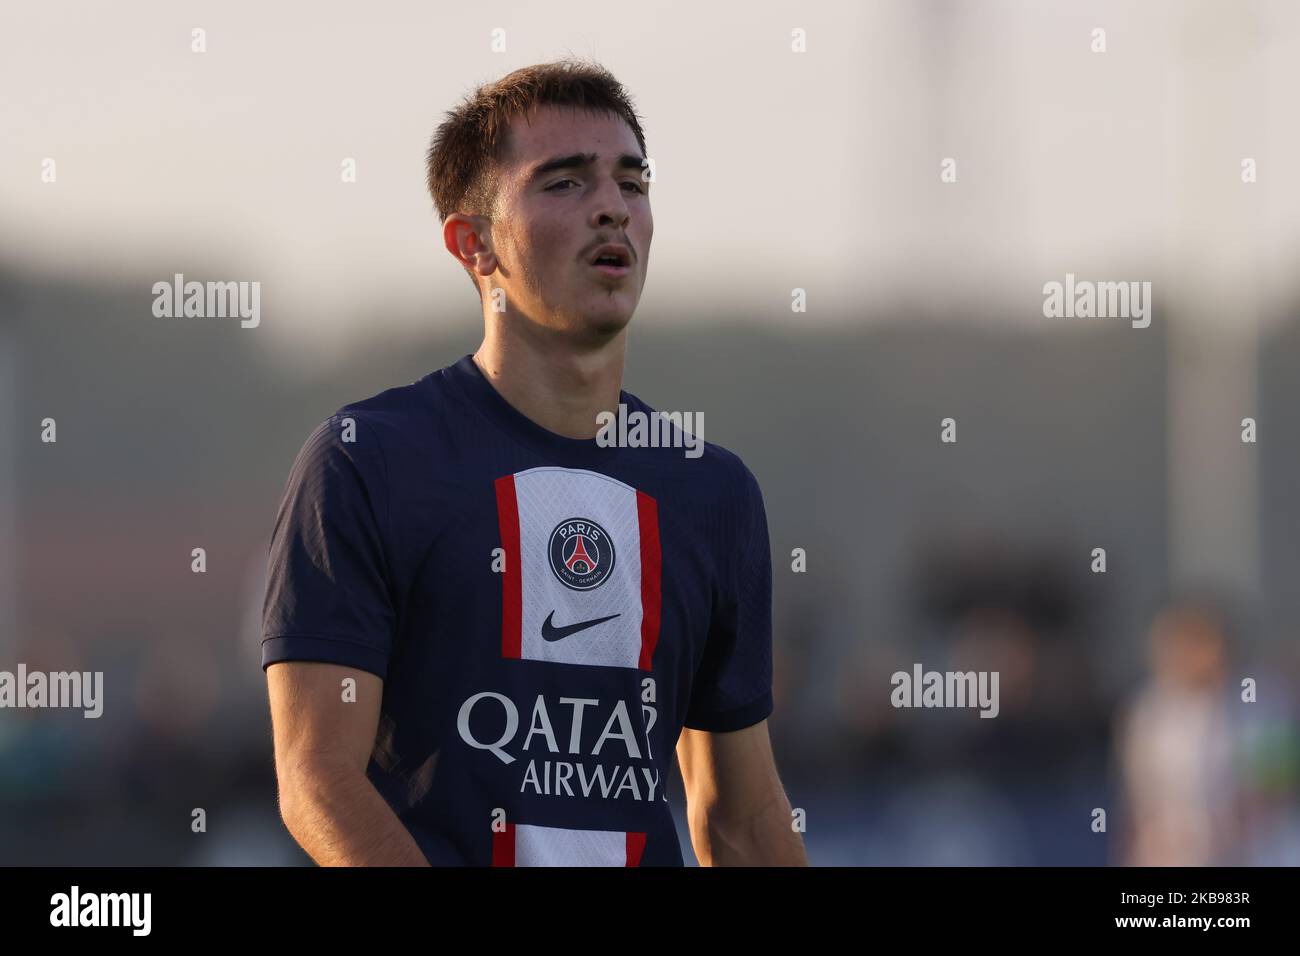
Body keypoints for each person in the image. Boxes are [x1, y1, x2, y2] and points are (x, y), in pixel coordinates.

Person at [261, 59, 807, 866]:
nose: (612, 210)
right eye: (564, 185)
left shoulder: (710, 490)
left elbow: (742, 819)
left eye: (631, 183)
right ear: (473, 243)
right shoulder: (367, 461)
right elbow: (318, 778)